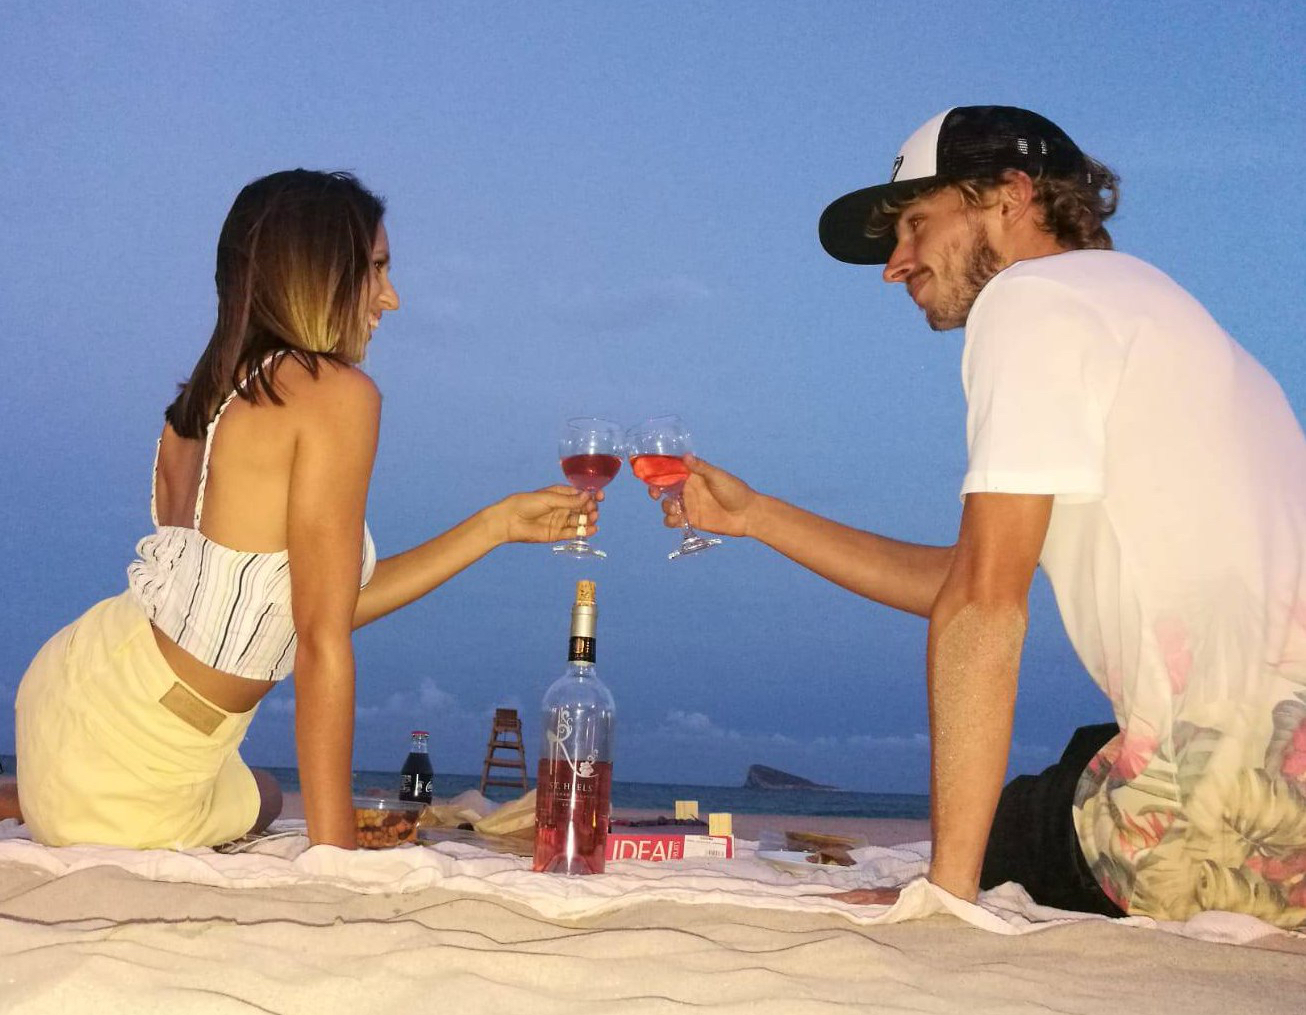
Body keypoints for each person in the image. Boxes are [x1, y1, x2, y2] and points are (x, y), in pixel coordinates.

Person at [651, 107, 1306, 925]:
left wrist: (947, 894)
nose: (895, 265)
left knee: (1021, 825)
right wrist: (759, 517)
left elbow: (984, 606)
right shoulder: (1166, 318)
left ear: (1010, 195)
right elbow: (963, 580)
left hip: (1232, 831)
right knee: (1080, 760)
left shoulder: (1032, 300)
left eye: (917, 225)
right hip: (1286, 791)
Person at [3, 169, 598, 851]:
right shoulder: (333, 394)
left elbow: (313, 604)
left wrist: (493, 526)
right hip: (131, 766)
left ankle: (25, 796)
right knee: (264, 802)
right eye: (375, 268)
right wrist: (334, 854)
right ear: (318, 269)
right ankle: (49, 793)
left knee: (266, 794)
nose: (391, 298)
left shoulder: (200, 406)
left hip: (74, 694)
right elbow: (319, 639)